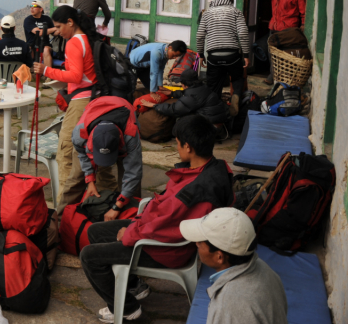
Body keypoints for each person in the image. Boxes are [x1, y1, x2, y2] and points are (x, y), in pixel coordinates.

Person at [80, 115, 233, 323]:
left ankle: (126, 309)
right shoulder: (214, 167)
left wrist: (131, 233)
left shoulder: (194, 191)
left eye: (177, 143)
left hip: (166, 249)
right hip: (157, 231)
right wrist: (137, 223)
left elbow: (165, 226)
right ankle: (134, 285)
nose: (176, 148)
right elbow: (164, 215)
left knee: (89, 256)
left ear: (188, 147)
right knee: (94, 231)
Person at [32, 5, 97, 220]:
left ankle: (64, 210)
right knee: (79, 150)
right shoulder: (84, 39)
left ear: (70, 22)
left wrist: (46, 70)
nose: (57, 31)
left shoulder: (74, 43)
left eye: (59, 26)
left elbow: (76, 76)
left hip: (81, 100)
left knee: (65, 151)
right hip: (88, 97)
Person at [179, 208, 288, 324]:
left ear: (219, 257)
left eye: (200, 242)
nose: (196, 243)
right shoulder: (262, 267)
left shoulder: (229, 306)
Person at [63, 96, 142, 221]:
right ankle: (62, 220)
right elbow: (83, 155)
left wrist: (118, 206)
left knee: (132, 184)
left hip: (124, 107)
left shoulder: (130, 135)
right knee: (76, 178)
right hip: (94, 110)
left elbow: (133, 173)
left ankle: (133, 220)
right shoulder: (80, 133)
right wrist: (90, 180)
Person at [196, 0, 249, 100]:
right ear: (232, 0)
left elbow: (200, 35)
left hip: (213, 56)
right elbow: (243, 33)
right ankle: (236, 95)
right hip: (232, 55)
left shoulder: (207, 13)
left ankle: (214, 105)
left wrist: (201, 55)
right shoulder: (236, 12)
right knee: (237, 78)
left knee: (213, 84)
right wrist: (247, 55)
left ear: (217, 0)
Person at [147, 69, 230, 126]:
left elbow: (174, 109)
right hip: (218, 118)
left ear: (184, 84)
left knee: (178, 126)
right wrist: (172, 93)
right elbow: (189, 95)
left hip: (208, 125)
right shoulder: (202, 87)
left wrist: (154, 106)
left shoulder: (191, 96)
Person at [267, 0, 306, 83]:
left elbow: (303, 10)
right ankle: (273, 76)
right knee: (271, 53)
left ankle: (283, 79)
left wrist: (303, 24)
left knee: (285, 54)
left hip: (288, 28)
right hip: (274, 26)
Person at [0, 16, 32, 80]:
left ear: (1, 28)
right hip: (17, 78)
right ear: (14, 28)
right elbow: (29, 64)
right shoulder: (24, 45)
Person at [23, 0, 56, 67]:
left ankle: (48, 74)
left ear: (41, 9)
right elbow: (39, 32)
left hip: (45, 45)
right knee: (27, 50)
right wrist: (55, 28)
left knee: (46, 50)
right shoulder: (28, 20)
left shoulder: (47, 19)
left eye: (34, 6)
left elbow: (55, 33)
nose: (32, 8)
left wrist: (59, 29)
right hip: (32, 45)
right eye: (31, 6)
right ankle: (30, 72)